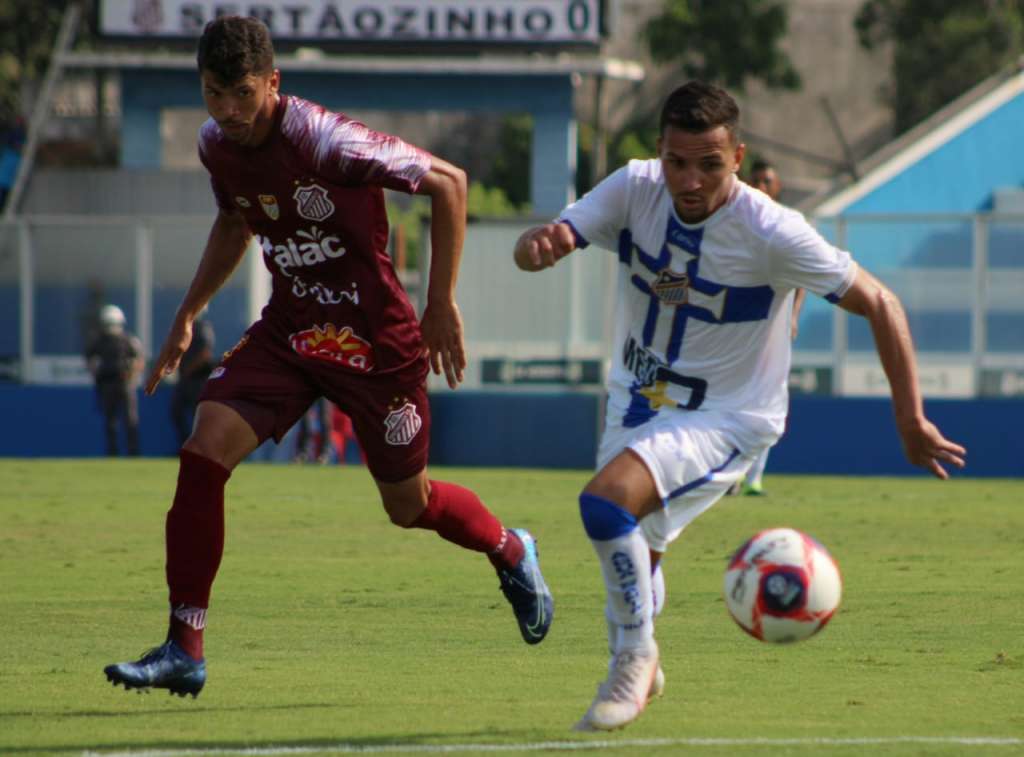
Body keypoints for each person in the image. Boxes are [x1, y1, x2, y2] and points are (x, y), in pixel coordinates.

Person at [103, 15, 552, 698]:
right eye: (214, 94)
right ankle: (184, 647)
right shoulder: (215, 144)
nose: (228, 111)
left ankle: (510, 548)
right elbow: (234, 221)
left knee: (408, 505)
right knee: (204, 447)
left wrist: (439, 303)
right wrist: (188, 312)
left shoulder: (322, 138)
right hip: (292, 330)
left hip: (375, 342)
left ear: (272, 83)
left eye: (243, 94)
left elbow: (451, 183)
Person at [512, 81, 966, 731]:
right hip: (635, 398)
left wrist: (909, 417)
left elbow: (881, 302)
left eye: (710, 164)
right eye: (677, 162)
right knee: (638, 550)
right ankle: (641, 656)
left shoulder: (772, 231)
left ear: (739, 158)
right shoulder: (634, 187)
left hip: (727, 417)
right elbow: (553, 236)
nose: (690, 180)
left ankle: (633, 658)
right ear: (659, 151)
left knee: (605, 504)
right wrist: (540, 246)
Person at [727, 158, 806, 495]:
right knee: (734, 399)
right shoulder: (735, 220)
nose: (760, 186)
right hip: (737, 328)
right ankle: (732, 472)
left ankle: (752, 478)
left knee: (768, 402)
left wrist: (793, 316)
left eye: (766, 181)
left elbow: (802, 277)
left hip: (773, 331)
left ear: (777, 187)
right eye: (756, 179)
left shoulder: (788, 225)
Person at [85, 304, 144, 456]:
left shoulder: (128, 340)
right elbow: (90, 360)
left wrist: (131, 376)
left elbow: (139, 360)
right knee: (111, 421)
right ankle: (112, 453)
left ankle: (133, 452)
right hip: (107, 383)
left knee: (130, 420)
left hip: (125, 383)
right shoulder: (99, 341)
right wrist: (97, 376)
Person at [170, 313, 215, 446]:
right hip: (185, 380)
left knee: (199, 417)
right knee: (176, 412)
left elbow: (205, 353)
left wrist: (189, 369)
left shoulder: (201, 328)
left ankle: (201, 447)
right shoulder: (181, 328)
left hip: (198, 380)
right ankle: (185, 444)